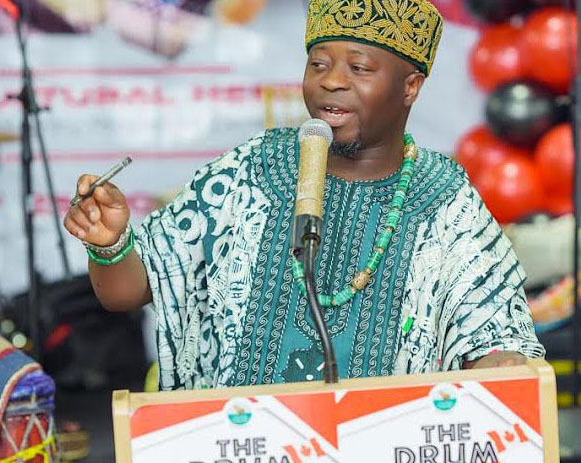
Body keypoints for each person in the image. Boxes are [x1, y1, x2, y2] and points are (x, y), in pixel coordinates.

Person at [63, 0, 545, 391]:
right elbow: (128, 291)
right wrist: (110, 244)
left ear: (410, 87)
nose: (331, 80)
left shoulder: (443, 198)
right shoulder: (252, 170)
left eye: (359, 68)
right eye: (318, 64)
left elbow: (497, 342)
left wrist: (499, 362)